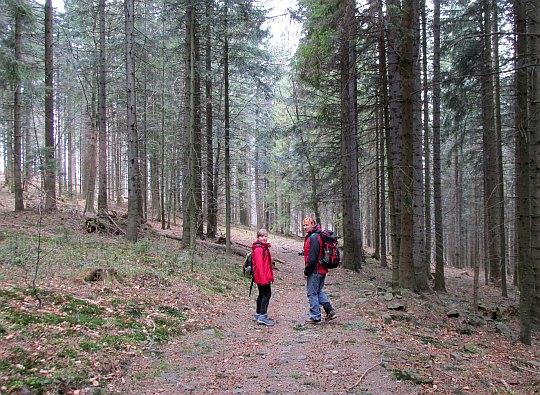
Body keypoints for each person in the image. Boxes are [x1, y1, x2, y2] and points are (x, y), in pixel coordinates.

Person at [302, 217, 337, 324]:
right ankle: (329, 310)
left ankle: (315, 316)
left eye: (307, 225)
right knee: (318, 291)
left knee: (312, 293)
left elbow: (312, 257)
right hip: (322, 269)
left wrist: (306, 271)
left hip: (315, 270)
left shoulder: (314, 237)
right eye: (304, 225)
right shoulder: (318, 235)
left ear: (313, 224)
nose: (305, 227)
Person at [251, 228, 275, 326]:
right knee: (266, 294)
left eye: (265, 236)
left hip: (263, 276)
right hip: (262, 277)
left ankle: (258, 314)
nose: (264, 238)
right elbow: (260, 266)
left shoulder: (263, 248)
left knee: (261, 294)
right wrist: (264, 279)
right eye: (261, 236)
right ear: (258, 237)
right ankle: (262, 316)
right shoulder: (258, 249)